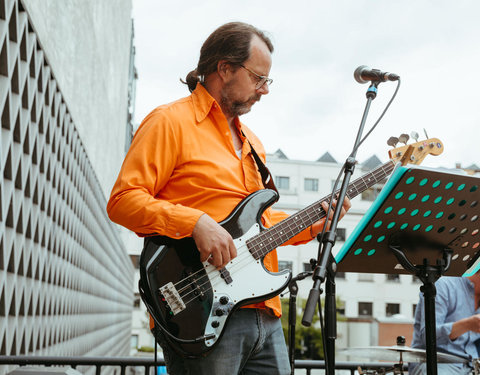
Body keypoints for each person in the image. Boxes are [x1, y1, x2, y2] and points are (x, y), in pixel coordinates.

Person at [107, 22, 351, 375]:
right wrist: (193, 222)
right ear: (224, 68)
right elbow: (123, 200)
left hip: (264, 313)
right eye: (258, 78)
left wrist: (314, 224)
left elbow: (256, 226)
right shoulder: (169, 122)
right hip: (199, 311)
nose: (264, 90)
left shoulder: (253, 142)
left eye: (268, 81)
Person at [410, 273, 480, 375]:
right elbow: (428, 336)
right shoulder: (443, 285)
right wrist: (466, 325)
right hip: (438, 362)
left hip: (471, 365)